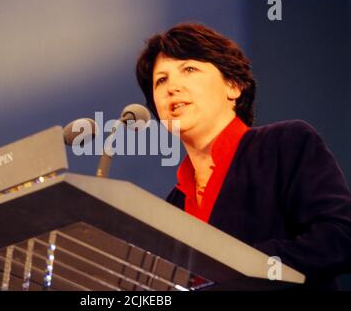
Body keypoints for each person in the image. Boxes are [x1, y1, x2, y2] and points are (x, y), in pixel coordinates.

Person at [135, 22, 351, 290]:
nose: (171, 87)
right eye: (161, 80)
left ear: (234, 86)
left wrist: (238, 267)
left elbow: (340, 236)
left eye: (189, 69)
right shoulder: (173, 205)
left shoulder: (285, 145)